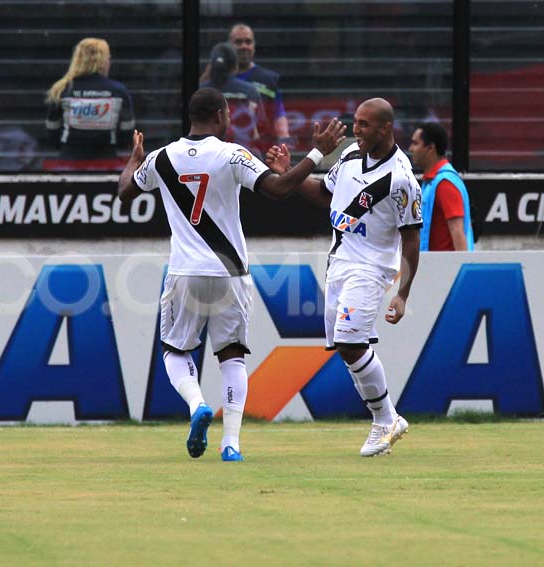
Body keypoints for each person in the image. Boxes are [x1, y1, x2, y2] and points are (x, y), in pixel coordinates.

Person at [118, 87, 346, 461]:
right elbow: (279, 189)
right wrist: (318, 153)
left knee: (175, 350)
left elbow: (125, 191)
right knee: (232, 356)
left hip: (185, 271)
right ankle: (231, 444)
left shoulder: (161, 158)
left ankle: (197, 404)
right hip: (230, 271)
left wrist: (134, 159)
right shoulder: (232, 154)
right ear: (220, 116)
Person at [266, 98, 421, 457]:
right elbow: (324, 194)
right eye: (355, 122)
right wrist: (292, 172)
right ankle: (386, 419)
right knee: (346, 347)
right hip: (338, 263)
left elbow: (412, 239)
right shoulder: (350, 155)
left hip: (371, 268)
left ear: (385, 128)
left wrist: (402, 294)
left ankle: (386, 420)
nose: (356, 129)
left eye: (364, 124)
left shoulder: (401, 178)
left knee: (351, 342)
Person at [44, 38, 135, 171]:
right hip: (107, 162)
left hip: (68, 162)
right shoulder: (118, 91)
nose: (109, 62)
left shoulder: (62, 89)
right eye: (108, 58)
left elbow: (52, 130)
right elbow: (127, 133)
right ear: (102, 61)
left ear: (78, 59)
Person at [408, 122, 474, 251]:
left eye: (415, 143)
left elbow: (457, 231)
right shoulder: (432, 182)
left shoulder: (445, 183)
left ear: (430, 148)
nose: (410, 149)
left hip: (445, 264)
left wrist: (461, 263)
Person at [229, 23, 291, 150]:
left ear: (254, 46)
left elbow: (278, 115)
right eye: (238, 42)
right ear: (229, 46)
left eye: (248, 42)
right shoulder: (217, 79)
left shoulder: (269, 79)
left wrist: (284, 144)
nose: (244, 46)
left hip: (259, 150)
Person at [199, 43, 266, 156]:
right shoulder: (249, 91)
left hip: (206, 154)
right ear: (235, 67)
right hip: (242, 154)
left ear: (211, 65)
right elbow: (261, 124)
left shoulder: (199, 91)